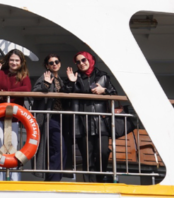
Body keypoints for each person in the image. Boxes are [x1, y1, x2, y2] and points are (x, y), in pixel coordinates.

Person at [65, 51, 131, 183]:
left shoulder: (103, 76)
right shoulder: (75, 77)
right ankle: (90, 185)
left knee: (103, 152)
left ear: (90, 59)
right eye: (78, 62)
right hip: (82, 123)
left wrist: (104, 91)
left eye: (83, 60)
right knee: (87, 157)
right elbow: (65, 97)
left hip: (101, 121)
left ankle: (99, 181)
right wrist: (71, 83)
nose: (81, 64)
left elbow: (115, 94)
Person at [0, 49, 32, 181]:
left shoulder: (24, 76)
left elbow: (26, 89)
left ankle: (13, 179)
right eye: (12, 60)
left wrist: (5, 92)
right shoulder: (0, 72)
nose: (14, 62)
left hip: (14, 118)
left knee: (13, 149)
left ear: (21, 62)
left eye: (17, 60)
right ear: (7, 60)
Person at [32, 54, 68, 181]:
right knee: (59, 148)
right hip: (50, 117)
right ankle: (53, 180)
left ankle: (54, 178)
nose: (54, 64)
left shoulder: (60, 80)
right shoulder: (45, 76)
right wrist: (45, 85)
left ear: (60, 63)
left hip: (60, 118)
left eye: (56, 62)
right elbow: (35, 94)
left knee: (59, 149)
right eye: (51, 63)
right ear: (47, 65)